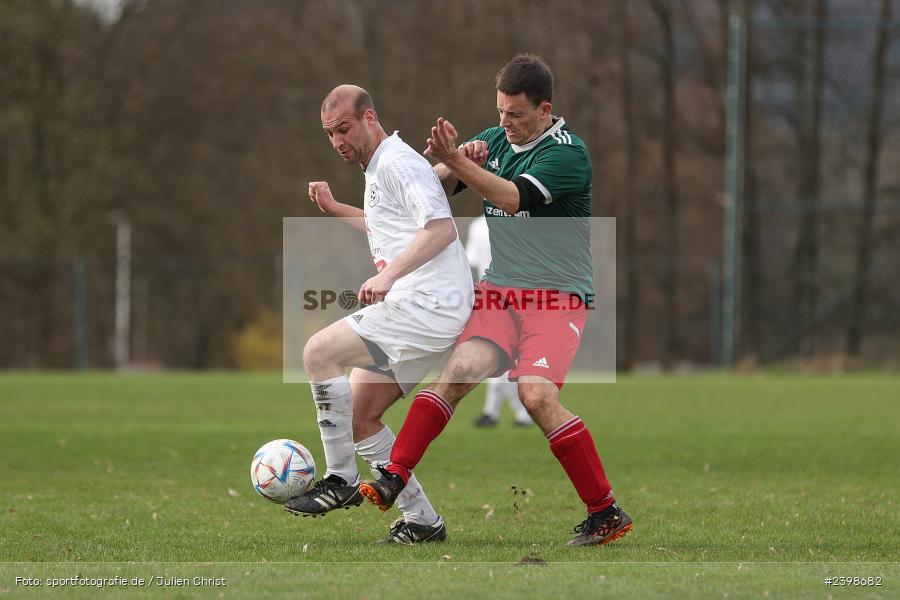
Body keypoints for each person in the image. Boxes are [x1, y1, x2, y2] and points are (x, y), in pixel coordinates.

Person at [359, 55, 632, 547]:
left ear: (545, 110)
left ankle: (605, 512)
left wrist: (462, 162)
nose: (505, 123)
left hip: (556, 294)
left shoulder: (569, 154)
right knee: (457, 372)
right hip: (501, 291)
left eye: (516, 114)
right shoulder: (495, 138)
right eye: (500, 111)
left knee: (537, 396)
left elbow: (512, 198)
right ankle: (394, 475)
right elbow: (441, 190)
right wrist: (440, 165)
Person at [283, 85, 474, 545]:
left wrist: (389, 279)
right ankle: (423, 521)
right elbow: (391, 226)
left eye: (343, 129)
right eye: (329, 134)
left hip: (428, 303)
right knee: (359, 415)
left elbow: (441, 229)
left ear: (369, 117)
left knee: (317, 353)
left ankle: (340, 478)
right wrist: (335, 209)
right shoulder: (379, 168)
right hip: (425, 306)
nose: (337, 141)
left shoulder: (398, 162)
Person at [464, 215, 532, 428]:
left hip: (515, 293)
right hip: (495, 293)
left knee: (506, 354)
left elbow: (472, 263)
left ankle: (502, 412)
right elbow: (472, 263)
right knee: (501, 352)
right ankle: (513, 412)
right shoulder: (480, 225)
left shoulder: (521, 221)